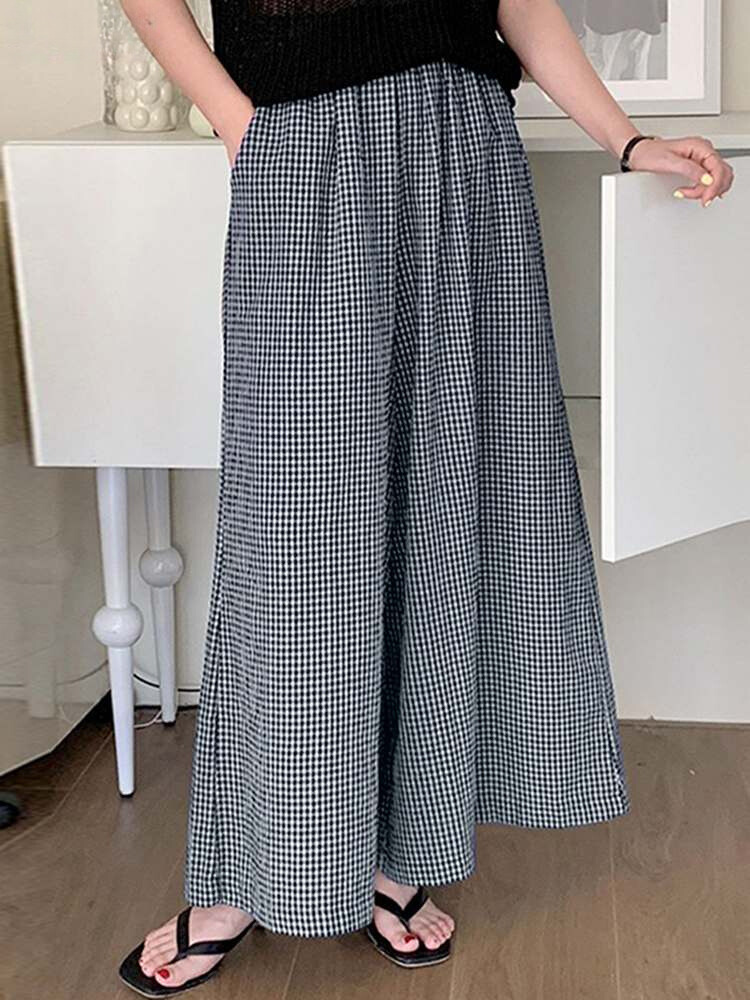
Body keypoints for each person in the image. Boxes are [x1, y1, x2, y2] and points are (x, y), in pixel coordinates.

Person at [116, 0, 734, 995]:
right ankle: (245, 871)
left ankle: (403, 849)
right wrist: (240, 121)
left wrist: (626, 139)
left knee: (454, 513)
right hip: (309, 145)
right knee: (297, 533)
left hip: (468, 151)